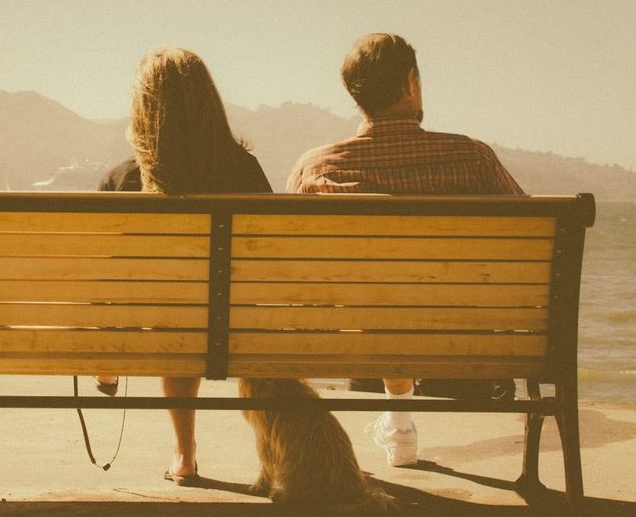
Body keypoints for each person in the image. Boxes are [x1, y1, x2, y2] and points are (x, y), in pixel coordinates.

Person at [287, 32, 524, 468]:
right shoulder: (472, 158)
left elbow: (290, 269)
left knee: (375, 319)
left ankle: (397, 415)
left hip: (361, 352)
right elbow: (529, 252)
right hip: (465, 354)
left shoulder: (315, 169)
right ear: (411, 82)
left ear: (355, 96)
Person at [95, 47, 272, 485]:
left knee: (173, 318)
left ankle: (184, 453)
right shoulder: (244, 170)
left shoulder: (123, 180)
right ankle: (276, 456)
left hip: (162, 325)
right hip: (238, 326)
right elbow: (267, 260)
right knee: (195, 311)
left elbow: (102, 274)